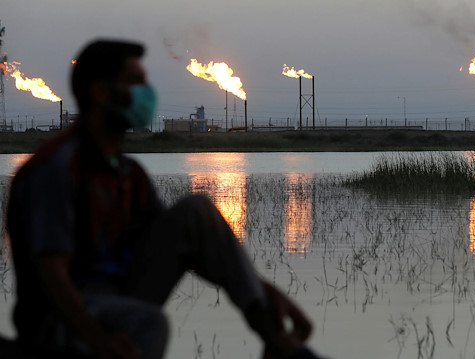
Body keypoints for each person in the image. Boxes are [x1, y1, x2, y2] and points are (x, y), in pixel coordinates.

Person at [6, 39, 319, 359]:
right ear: (100, 93)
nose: (147, 93)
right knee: (149, 323)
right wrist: (99, 339)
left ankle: (276, 336)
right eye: (136, 83)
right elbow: (51, 276)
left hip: (119, 295)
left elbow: (185, 244)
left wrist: (264, 291)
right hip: (59, 320)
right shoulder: (56, 169)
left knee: (196, 212)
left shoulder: (129, 173)